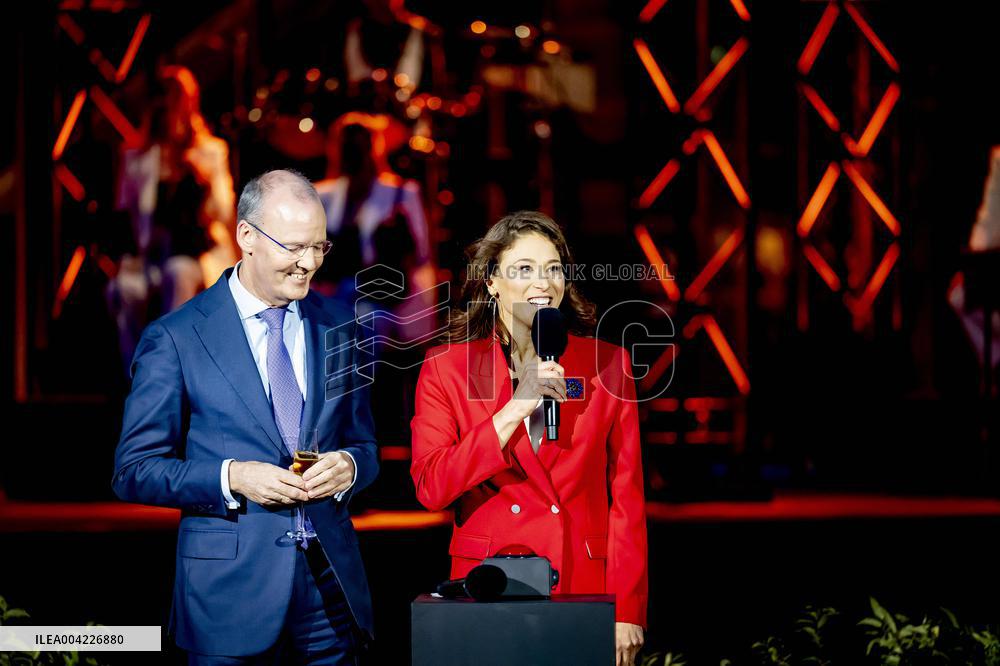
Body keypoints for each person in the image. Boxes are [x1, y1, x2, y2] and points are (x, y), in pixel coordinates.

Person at [113, 169, 378, 664]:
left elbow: (365, 446)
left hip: (332, 597)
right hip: (228, 598)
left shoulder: (341, 326)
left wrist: (350, 467)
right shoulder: (176, 337)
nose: (307, 264)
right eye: (293, 247)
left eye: (319, 248)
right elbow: (134, 471)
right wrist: (231, 477)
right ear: (246, 237)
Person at [409, 211, 648, 666]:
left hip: (582, 585)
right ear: (492, 281)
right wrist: (516, 407)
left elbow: (627, 499)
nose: (543, 282)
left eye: (553, 268)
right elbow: (432, 487)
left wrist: (628, 608)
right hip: (490, 587)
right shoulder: (448, 368)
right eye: (524, 269)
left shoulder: (607, 365)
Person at [110, 65, 238, 371]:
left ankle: (175, 367)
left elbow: (223, 211)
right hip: (151, 256)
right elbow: (125, 211)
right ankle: (139, 372)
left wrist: (202, 180)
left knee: (177, 273)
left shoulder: (209, 151)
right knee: (120, 289)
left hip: (196, 252)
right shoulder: (137, 158)